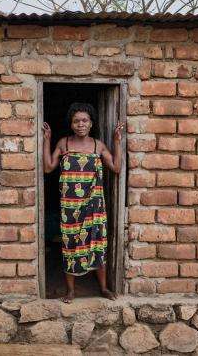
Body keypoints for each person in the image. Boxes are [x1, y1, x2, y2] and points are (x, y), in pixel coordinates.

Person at [43, 102, 124, 303]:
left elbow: (115, 167)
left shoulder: (98, 146)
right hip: (69, 207)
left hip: (94, 207)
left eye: (84, 120)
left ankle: (104, 288)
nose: (80, 124)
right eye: (76, 121)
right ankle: (71, 291)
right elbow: (48, 167)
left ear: (91, 124)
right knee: (70, 245)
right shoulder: (64, 144)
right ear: (71, 124)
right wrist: (47, 140)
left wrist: (117, 142)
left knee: (97, 244)